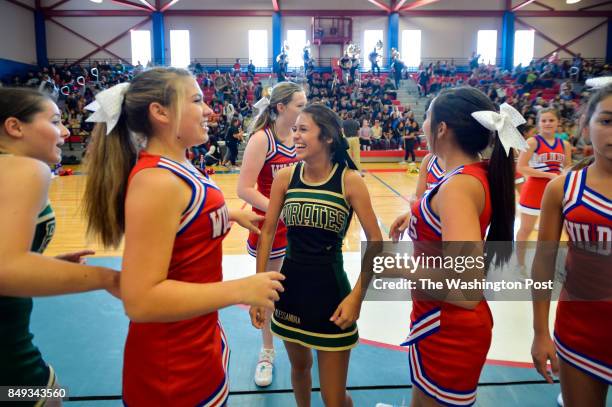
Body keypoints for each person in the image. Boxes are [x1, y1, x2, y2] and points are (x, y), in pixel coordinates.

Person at [82, 67, 285, 406]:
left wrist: (227, 214)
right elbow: (141, 300)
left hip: (199, 341)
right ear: (160, 112)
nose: (209, 110)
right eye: (196, 100)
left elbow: (182, 223)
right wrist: (241, 289)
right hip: (171, 369)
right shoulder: (156, 181)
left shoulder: (180, 166)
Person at [391, 87, 526, 406]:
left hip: (449, 326)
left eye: (426, 117)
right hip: (436, 317)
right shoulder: (470, 175)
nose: (422, 124)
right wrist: (412, 214)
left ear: (441, 128)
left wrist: (401, 268)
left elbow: (465, 289)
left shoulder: (459, 186)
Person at [251, 103, 382, 407]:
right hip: (290, 291)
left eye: (303, 129)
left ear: (327, 138)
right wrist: (260, 290)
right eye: (294, 129)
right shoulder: (286, 177)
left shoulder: (350, 181)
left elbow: (376, 241)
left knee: (333, 399)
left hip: (331, 296)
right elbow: (268, 233)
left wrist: (357, 297)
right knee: (299, 369)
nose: (295, 135)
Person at [0, 88, 120, 405]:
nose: (66, 131)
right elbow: (6, 270)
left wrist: (42, 262)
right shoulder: (26, 168)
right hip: (9, 353)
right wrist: (108, 279)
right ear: (14, 127)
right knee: (46, 396)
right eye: (55, 121)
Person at [531, 85, 612, 407]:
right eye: (606, 120)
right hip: (579, 329)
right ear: (585, 125)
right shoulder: (562, 188)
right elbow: (543, 264)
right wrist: (539, 332)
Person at [237, 81, 306, 387]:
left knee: (297, 288)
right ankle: (267, 351)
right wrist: (278, 210)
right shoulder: (261, 139)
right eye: (300, 106)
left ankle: (298, 340)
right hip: (271, 227)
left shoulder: (300, 137)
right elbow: (244, 189)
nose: (305, 111)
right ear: (281, 108)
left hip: (299, 226)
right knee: (268, 291)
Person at [516, 108, 572, 269]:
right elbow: (521, 167)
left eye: (551, 120)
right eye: (544, 120)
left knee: (553, 232)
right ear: (539, 123)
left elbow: (567, 166)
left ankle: (548, 264)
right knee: (525, 229)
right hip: (534, 191)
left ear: (558, 122)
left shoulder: (565, 144)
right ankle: (519, 264)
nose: (548, 123)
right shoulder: (532, 142)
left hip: (556, 192)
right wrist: (549, 176)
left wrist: (565, 176)